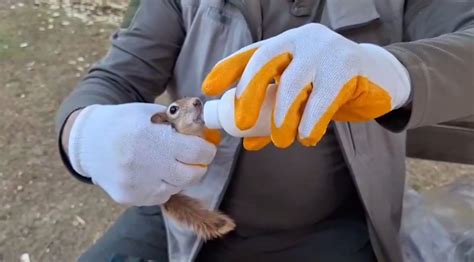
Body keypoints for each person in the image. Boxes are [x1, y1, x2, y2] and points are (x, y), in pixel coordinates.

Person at [55, 0, 474, 261]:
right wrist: (84, 134)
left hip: (337, 228)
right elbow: (117, 76)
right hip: (181, 222)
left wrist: (395, 70)